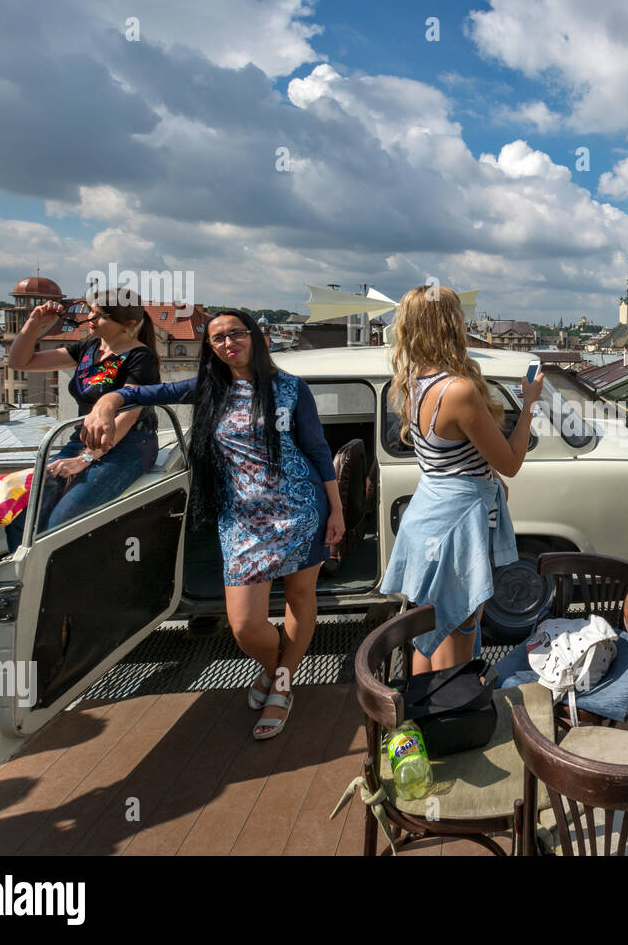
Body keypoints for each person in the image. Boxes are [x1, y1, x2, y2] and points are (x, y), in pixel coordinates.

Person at [82, 309, 345, 740]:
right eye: (217, 339)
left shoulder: (291, 388)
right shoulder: (207, 389)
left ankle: (281, 685)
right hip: (241, 520)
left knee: (300, 597)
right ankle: (278, 666)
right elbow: (145, 392)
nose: (228, 343)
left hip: (301, 509)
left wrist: (336, 510)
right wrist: (107, 401)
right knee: (244, 626)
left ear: (255, 337)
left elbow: (317, 450)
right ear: (212, 349)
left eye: (236, 333)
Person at [379, 284, 543, 674]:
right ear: (451, 324)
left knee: (433, 632)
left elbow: (452, 458)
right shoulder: (459, 390)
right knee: (459, 633)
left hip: (431, 516)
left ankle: (419, 716)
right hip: (459, 528)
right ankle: (449, 721)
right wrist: (529, 404)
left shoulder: (415, 381)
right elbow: (511, 463)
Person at [4, 289, 161, 548]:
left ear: (128, 324)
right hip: (83, 440)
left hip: (128, 446)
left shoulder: (140, 357)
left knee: (62, 524)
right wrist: (34, 323)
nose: (90, 318)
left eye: (100, 316)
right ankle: (22, 581)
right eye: (90, 311)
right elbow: (20, 361)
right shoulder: (89, 347)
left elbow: (128, 418)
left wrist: (84, 460)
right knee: (24, 515)